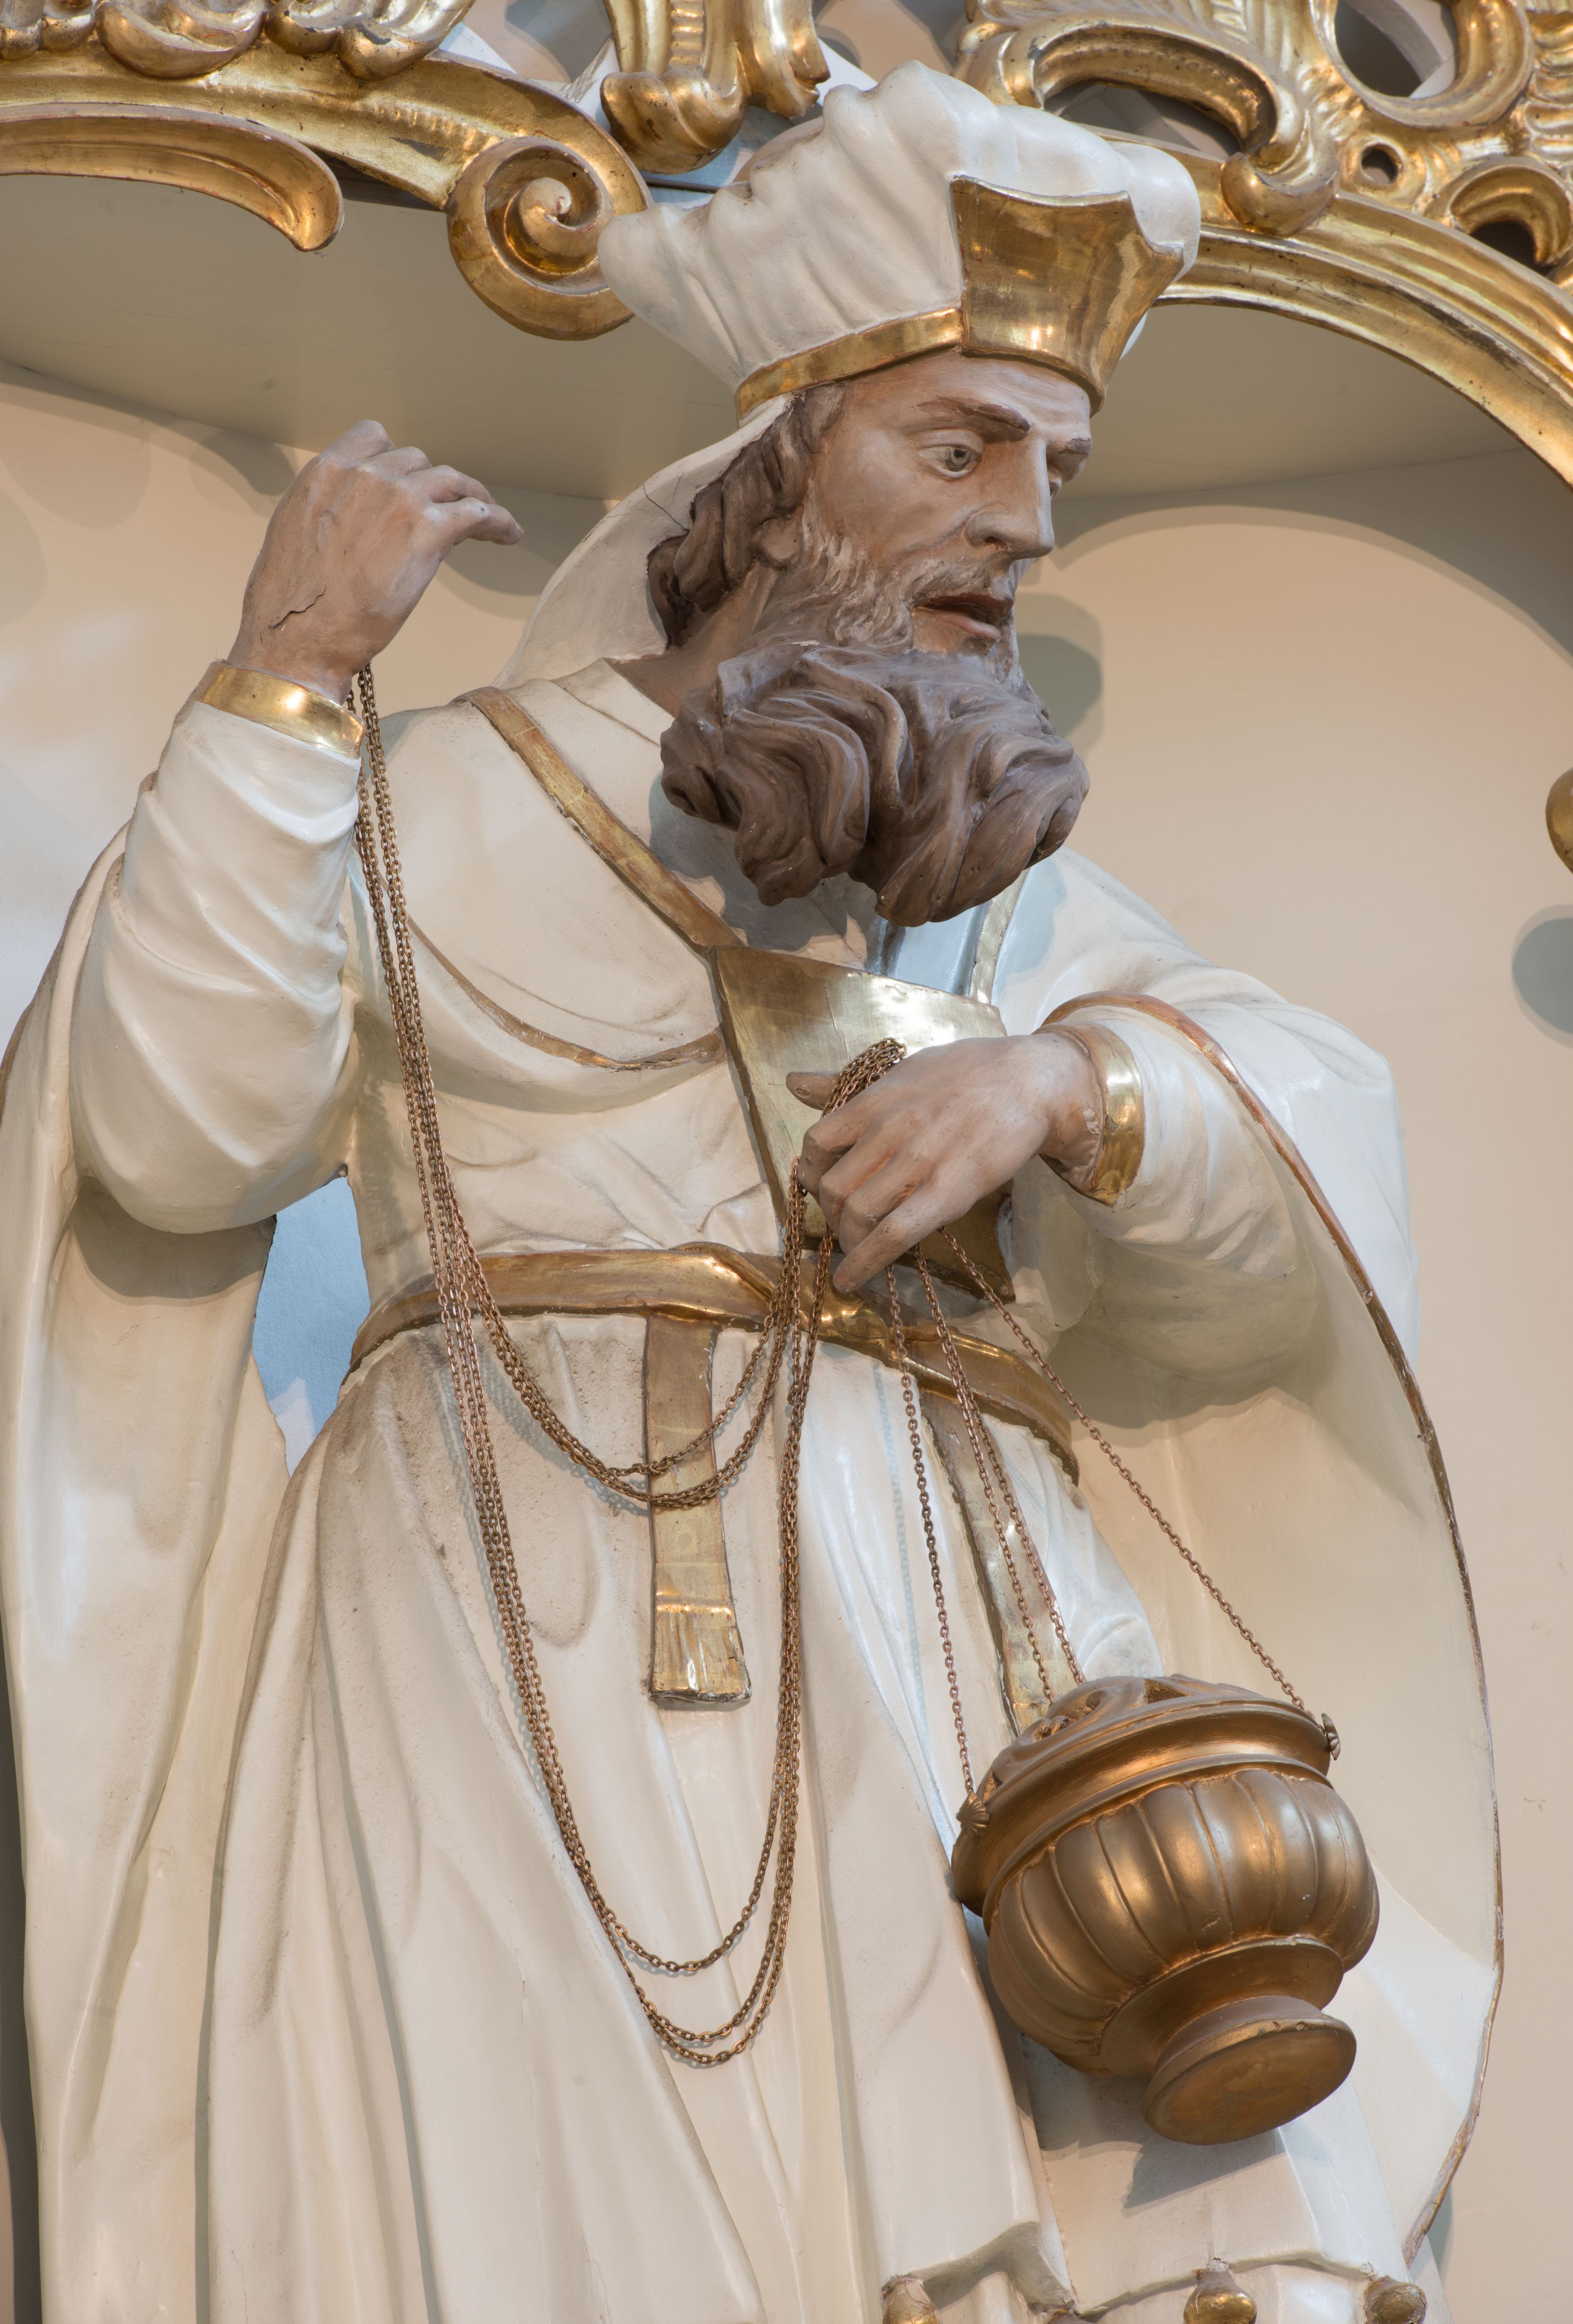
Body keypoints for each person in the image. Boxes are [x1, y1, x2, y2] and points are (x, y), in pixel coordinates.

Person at [0, 62, 1493, 2324]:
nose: (1026, 528)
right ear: (771, 474)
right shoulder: (441, 799)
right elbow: (177, 1132)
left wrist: (1062, 1086)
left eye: (1058, 470)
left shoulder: (989, 895)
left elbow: (1303, 1125)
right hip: (517, 1596)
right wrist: (286, 683)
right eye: (960, 448)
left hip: (952, 1611)